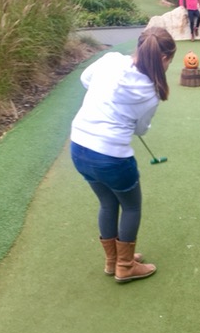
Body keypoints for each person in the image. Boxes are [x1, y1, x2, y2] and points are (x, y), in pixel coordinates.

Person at [70, 27, 176, 283]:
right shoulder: (150, 93)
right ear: (164, 59)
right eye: (170, 61)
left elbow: (85, 79)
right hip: (112, 157)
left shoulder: (111, 60)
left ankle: (112, 261)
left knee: (107, 203)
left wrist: (105, 99)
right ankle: (125, 266)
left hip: (79, 146)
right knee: (131, 207)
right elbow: (141, 129)